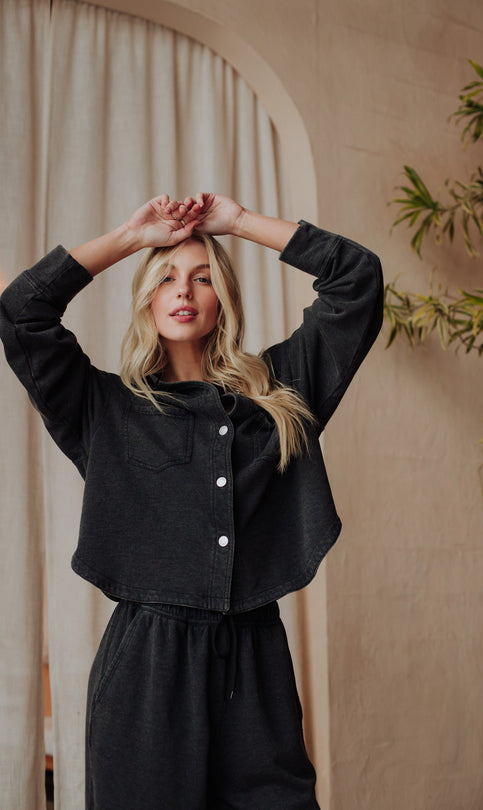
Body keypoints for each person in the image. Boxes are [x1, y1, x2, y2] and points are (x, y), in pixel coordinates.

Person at [0, 192, 383, 810]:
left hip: (256, 664)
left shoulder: (281, 394)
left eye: (202, 278)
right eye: (167, 277)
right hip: (147, 671)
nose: (184, 291)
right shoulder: (104, 409)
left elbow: (357, 280)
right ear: (148, 296)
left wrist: (236, 224)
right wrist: (130, 238)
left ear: (222, 299)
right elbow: (22, 309)